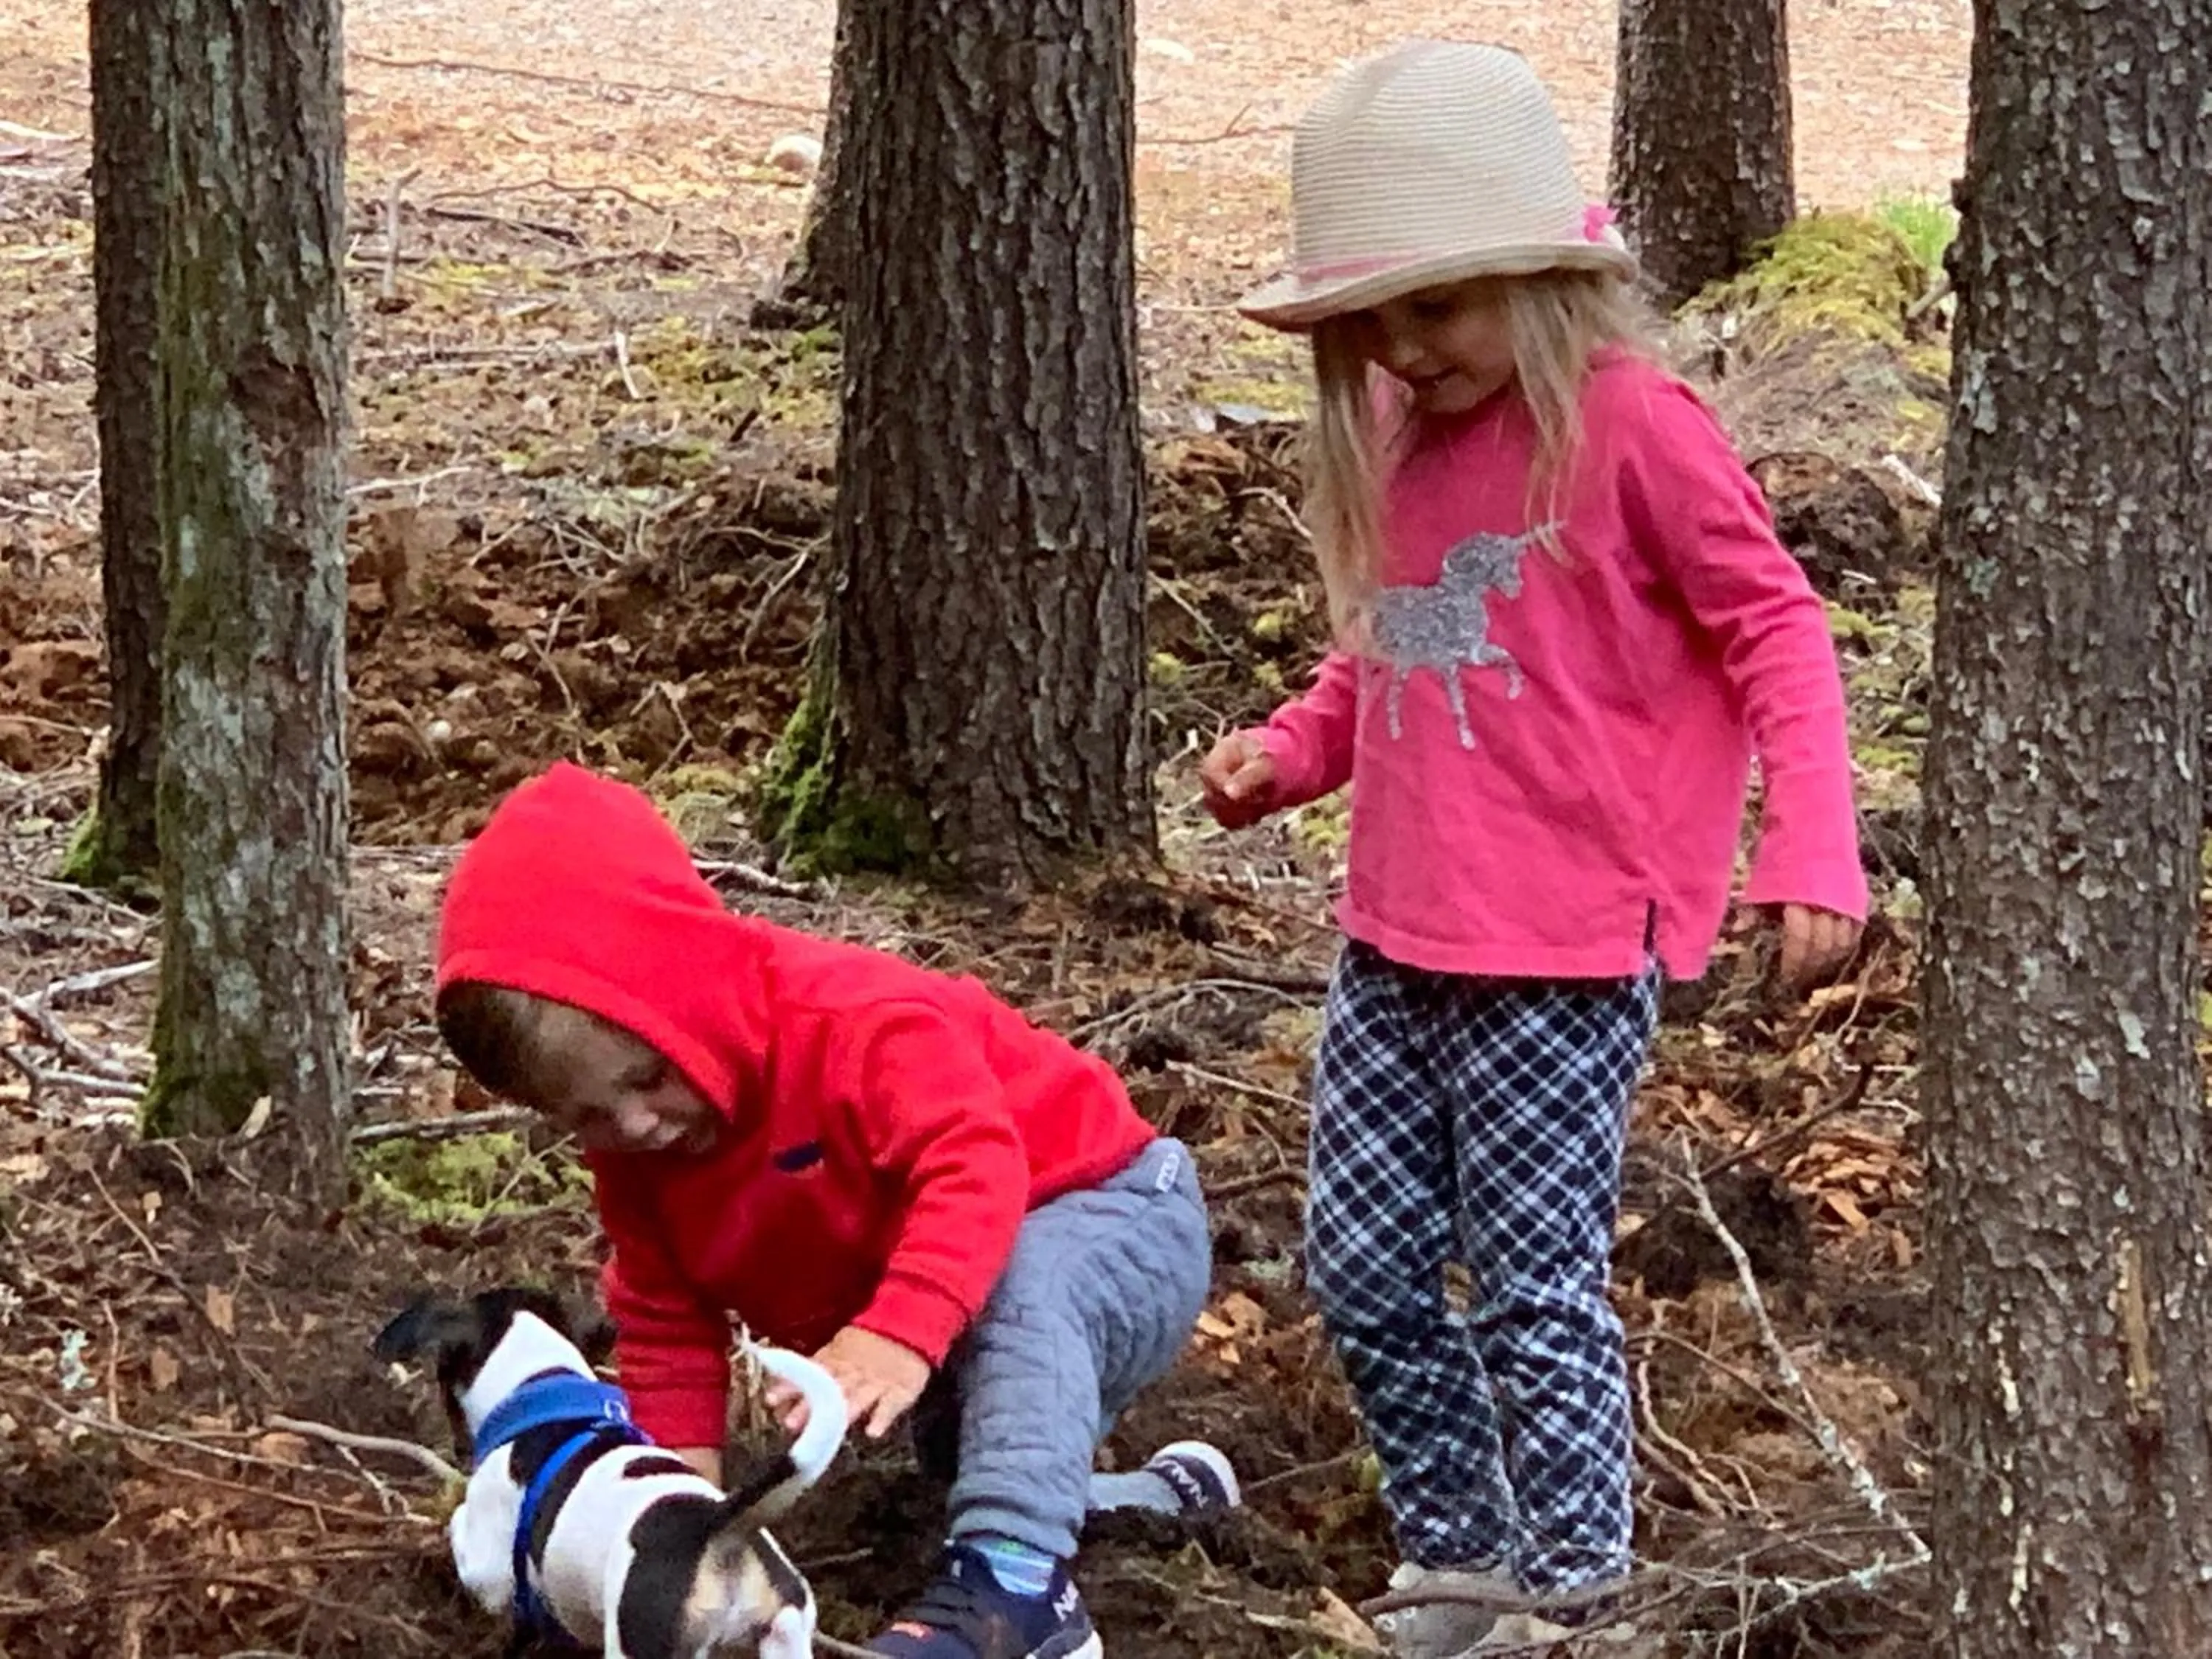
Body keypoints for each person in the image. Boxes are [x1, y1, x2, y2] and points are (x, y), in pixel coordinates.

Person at [1200, 38, 1868, 1656]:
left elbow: (1776, 627)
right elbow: (1390, 650)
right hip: (1394, 934)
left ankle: (1576, 1598)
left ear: (1535, 278)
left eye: (1435, 308)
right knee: (1361, 1268)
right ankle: (1460, 1565)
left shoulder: (1635, 429)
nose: (1402, 350)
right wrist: (1289, 753)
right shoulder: (1399, 428)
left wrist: (1814, 848)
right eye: (1373, 320)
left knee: (1531, 1286)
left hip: (1565, 949)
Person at [432, 761, 1239, 1659]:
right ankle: (1135, 1506)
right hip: (950, 1312)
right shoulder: (639, 1160)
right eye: (586, 1115)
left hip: (1115, 1214)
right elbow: (666, 1325)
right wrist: (676, 1512)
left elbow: (974, 1165)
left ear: (691, 991)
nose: (634, 1125)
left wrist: (893, 1336)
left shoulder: (846, 1021)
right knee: (975, 1460)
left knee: (1024, 1284)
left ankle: (1019, 1597)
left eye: (648, 1077)